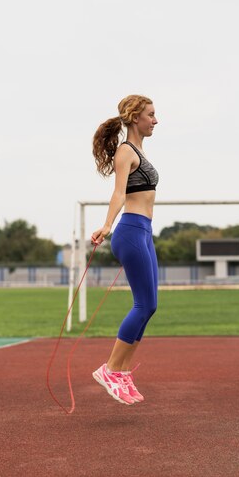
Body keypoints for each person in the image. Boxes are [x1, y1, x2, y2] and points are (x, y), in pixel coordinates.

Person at [90, 95, 159, 406]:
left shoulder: (140, 151)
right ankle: (110, 369)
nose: (155, 121)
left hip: (144, 233)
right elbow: (118, 193)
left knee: (151, 306)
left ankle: (122, 371)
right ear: (135, 118)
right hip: (130, 231)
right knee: (142, 305)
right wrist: (107, 225)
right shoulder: (125, 151)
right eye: (151, 115)